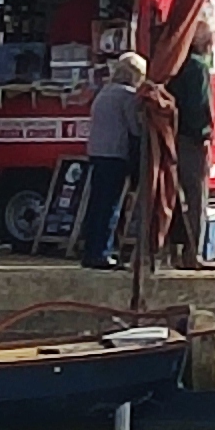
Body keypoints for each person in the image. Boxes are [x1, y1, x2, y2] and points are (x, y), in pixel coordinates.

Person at [77, 50, 146, 267]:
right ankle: (102, 253)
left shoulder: (104, 92)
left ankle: (91, 251)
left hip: (97, 152)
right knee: (111, 206)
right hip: (115, 154)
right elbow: (135, 129)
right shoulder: (127, 96)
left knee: (97, 204)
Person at [167, 25, 215, 267]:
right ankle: (192, 253)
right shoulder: (198, 67)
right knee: (196, 196)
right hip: (191, 139)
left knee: (172, 195)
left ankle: (171, 250)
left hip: (170, 135)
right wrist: (205, 134)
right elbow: (200, 104)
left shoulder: (172, 64)